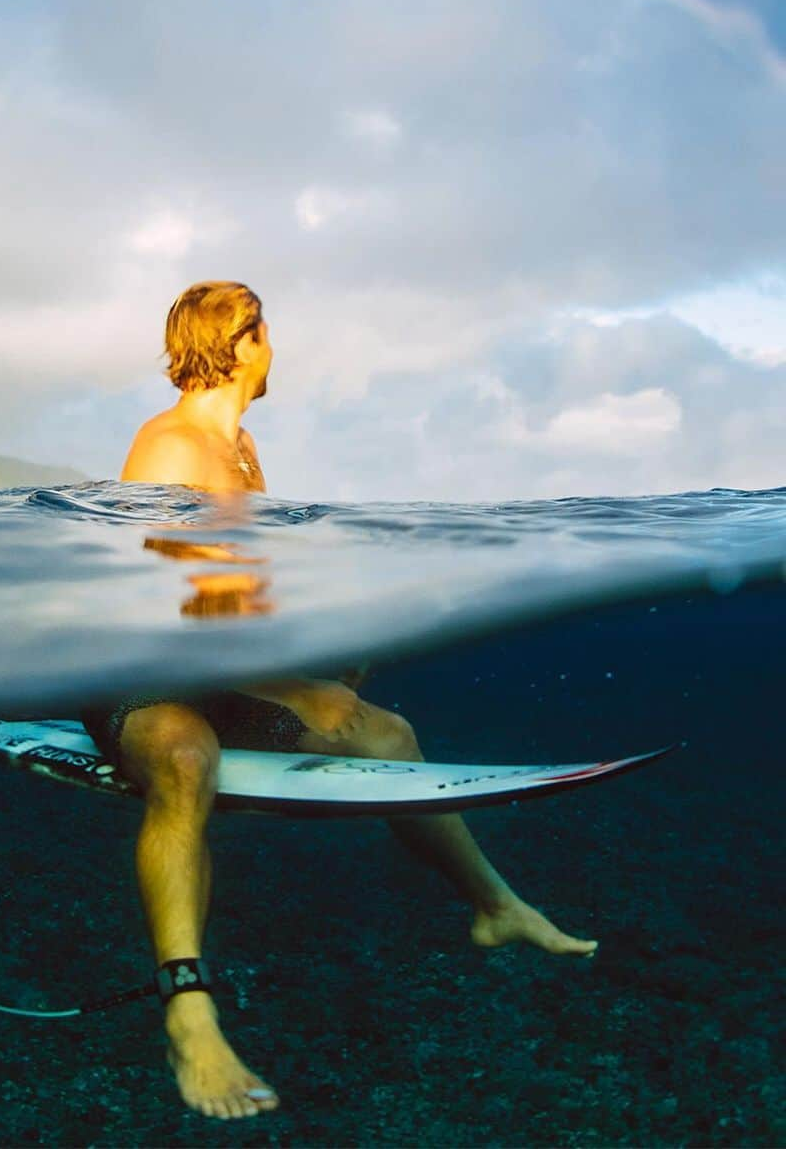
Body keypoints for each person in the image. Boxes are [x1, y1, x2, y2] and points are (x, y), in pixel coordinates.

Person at [82, 281, 597, 1122]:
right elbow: (165, 614)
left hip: (222, 673)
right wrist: (294, 689)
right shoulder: (169, 448)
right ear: (242, 342)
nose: (276, 347)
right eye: (267, 331)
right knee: (185, 758)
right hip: (144, 676)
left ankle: (497, 909)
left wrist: (331, 652)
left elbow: (243, 600)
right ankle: (188, 1009)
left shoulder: (242, 450)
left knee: (386, 733)